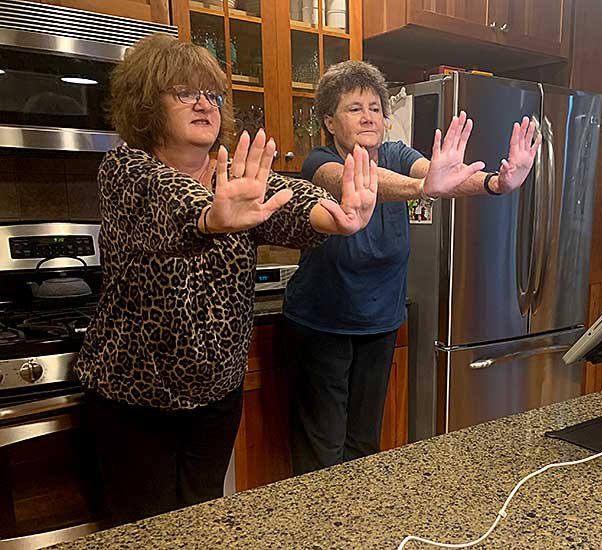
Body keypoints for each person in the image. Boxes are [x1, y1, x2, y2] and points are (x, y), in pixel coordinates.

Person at [74, 34, 377, 526]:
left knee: (200, 520)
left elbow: (292, 202)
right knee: (143, 531)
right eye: (184, 91)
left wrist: (339, 214)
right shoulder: (127, 169)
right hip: (134, 396)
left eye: (211, 94)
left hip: (215, 393)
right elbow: (170, 206)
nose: (203, 103)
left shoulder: (234, 175)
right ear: (148, 104)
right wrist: (213, 218)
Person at [283, 60, 541, 475]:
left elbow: (443, 176)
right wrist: (424, 187)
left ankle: (358, 525)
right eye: (354, 108)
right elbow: (360, 182)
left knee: (363, 442)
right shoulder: (320, 162)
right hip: (322, 324)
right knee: (322, 447)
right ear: (330, 121)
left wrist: (497, 183)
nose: (369, 115)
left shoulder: (398, 154)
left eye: (375, 107)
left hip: (380, 322)